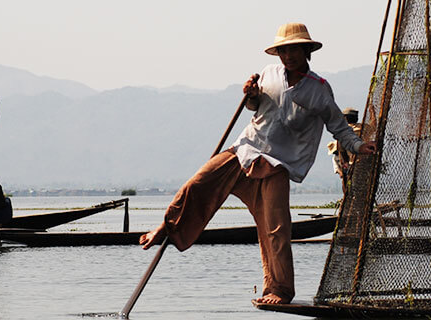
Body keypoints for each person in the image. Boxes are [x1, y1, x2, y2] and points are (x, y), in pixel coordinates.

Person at [139, 22, 376, 305]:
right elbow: (256, 106)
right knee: (198, 183)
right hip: (246, 149)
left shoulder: (319, 90)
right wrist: (251, 94)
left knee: (276, 227)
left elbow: (339, 128)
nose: (287, 56)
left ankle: (279, 289)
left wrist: (360, 146)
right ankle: (168, 225)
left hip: (278, 164)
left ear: (306, 50)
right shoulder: (268, 74)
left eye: (293, 50)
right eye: (283, 51)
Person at [327, 107, 361, 193]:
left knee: (347, 184)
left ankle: (347, 196)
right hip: (361, 163)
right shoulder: (363, 128)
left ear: (345, 118)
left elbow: (341, 150)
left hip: (350, 163)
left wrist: (343, 166)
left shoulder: (344, 131)